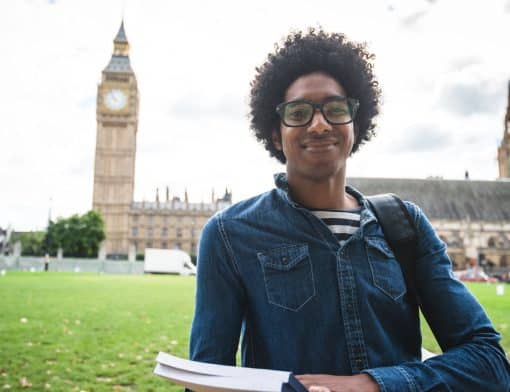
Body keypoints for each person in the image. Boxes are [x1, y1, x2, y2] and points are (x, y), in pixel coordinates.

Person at [189, 29, 510, 391]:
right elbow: (205, 381)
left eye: (335, 108)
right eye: (298, 112)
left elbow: (489, 361)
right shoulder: (230, 234)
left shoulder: (405, 225)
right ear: (275, 134)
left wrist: (372, 385)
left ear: (355, 125)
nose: (320, 123)